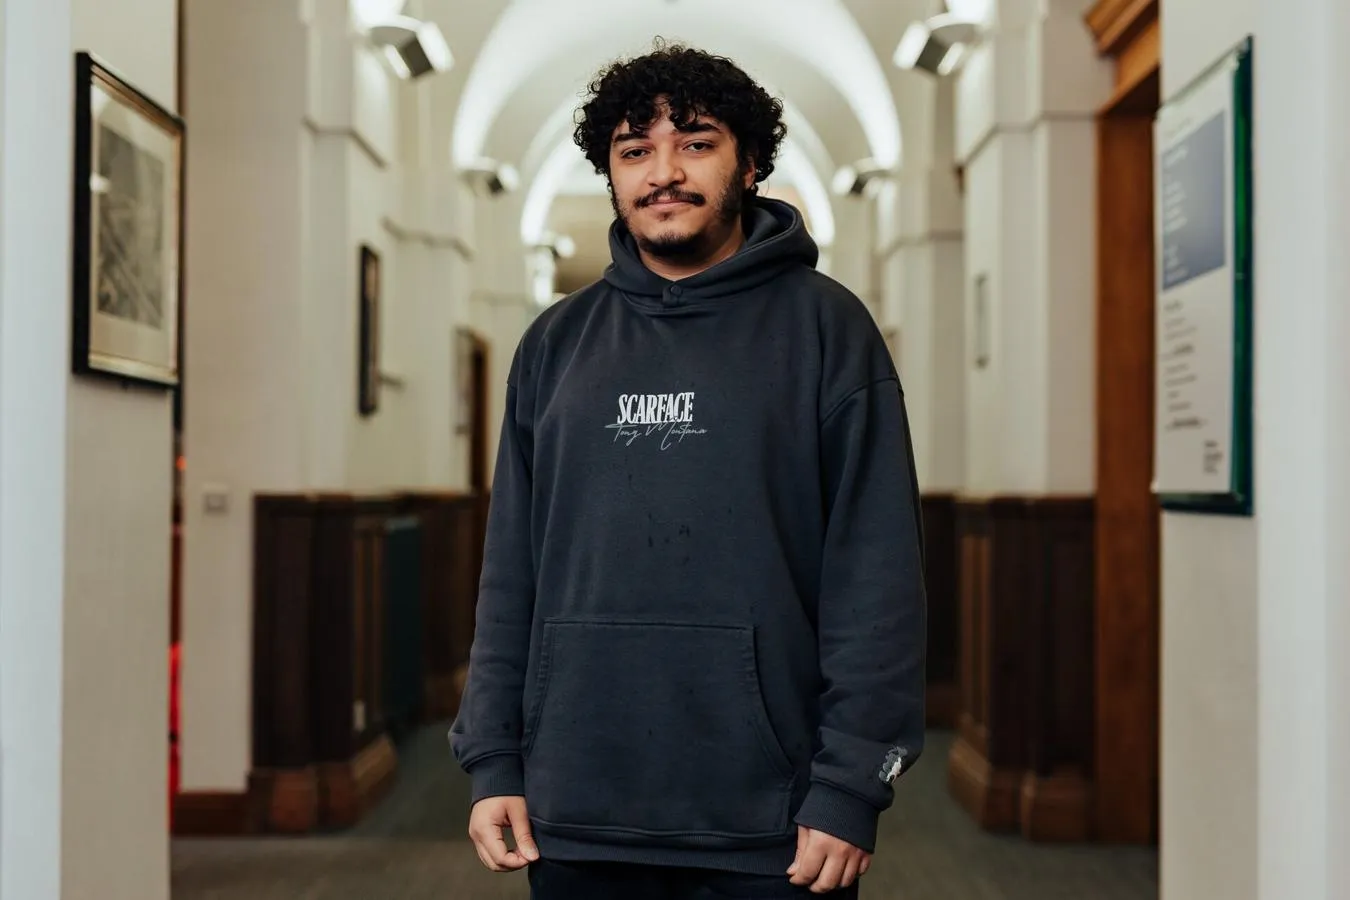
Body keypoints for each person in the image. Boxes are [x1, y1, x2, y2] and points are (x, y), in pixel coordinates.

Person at [450, 39, 927, 899]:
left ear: (750, 168)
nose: (663, 171)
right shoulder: (555, 345)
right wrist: (492, 756)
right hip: (575, 809)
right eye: (635, 151)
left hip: (774, 824)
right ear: (612, 175)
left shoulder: (827, 330)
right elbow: (510, 570)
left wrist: (854, 781)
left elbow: (878, 573)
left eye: (696, 143)